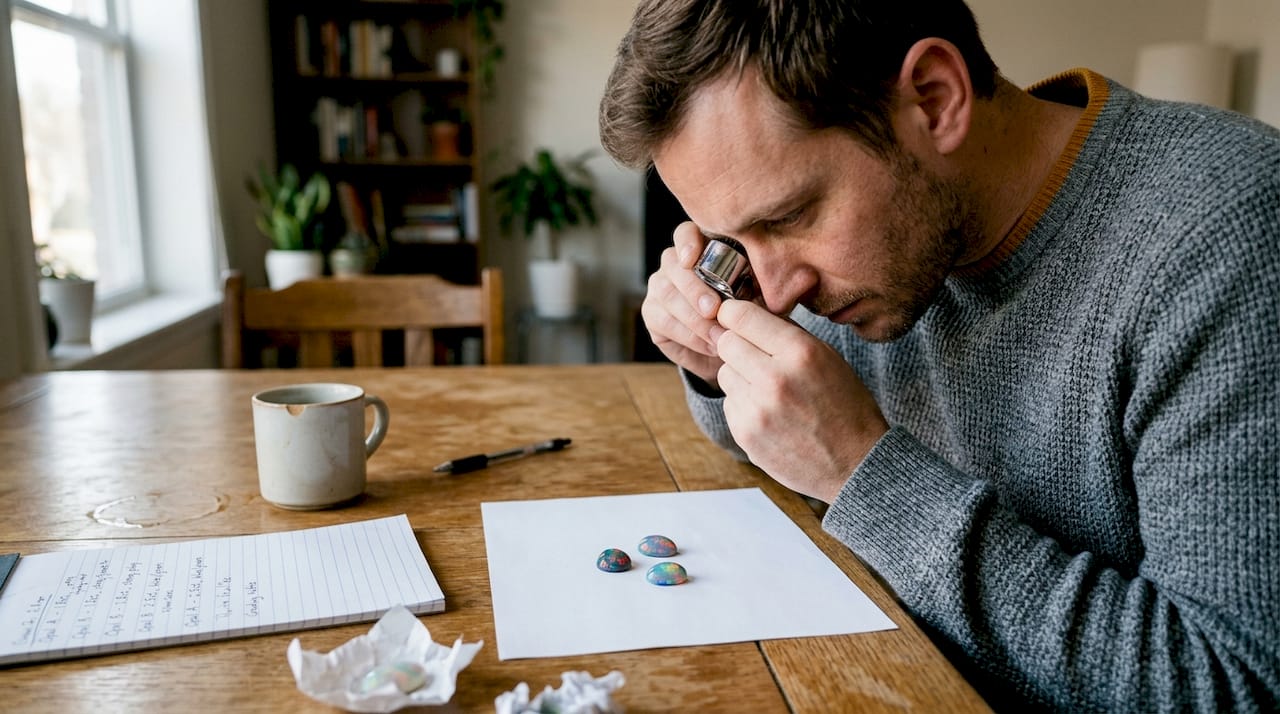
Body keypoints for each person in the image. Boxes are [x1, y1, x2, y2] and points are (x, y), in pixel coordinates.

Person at [598, 1, 1279, 710]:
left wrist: (863, 473)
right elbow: (790, 440)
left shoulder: (1228, 236)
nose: (777, 290)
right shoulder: (888, 249)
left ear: (934, 99)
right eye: (735, 240)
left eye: (790, 216)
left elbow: (1232, 684)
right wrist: (716, 361)